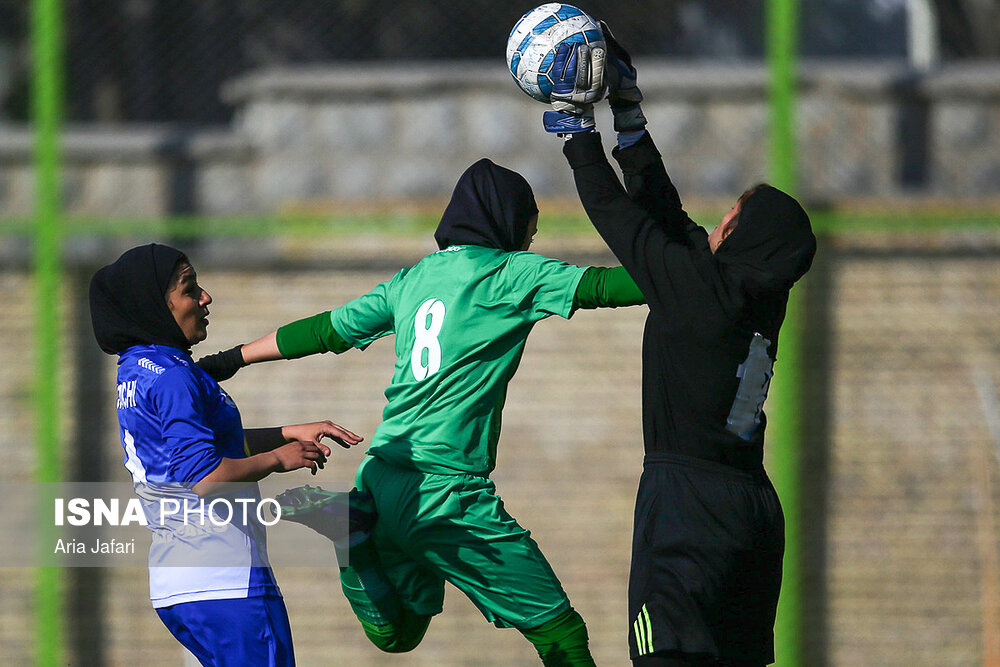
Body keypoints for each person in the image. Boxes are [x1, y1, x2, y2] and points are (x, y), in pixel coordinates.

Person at [196, 158, 646, 665]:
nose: (530, 244)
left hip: (383, 477)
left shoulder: (413, 281)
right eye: (529, 233)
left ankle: (353, 537)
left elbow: (325, 330)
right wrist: (698, 273)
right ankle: (351, 536)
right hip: (446, 492)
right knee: (560, 633)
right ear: (507, 223)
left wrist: (229, 360)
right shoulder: (510, 273)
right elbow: (608, 287)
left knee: (399, 634)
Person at [541, 27, 817, 667]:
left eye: (732, 216)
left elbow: (620, 217)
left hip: (687, 509)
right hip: (751, 508)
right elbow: (668, 219)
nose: (717, 221)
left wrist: (575, 125)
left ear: (737, 235)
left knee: (663, 657)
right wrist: (629, 112)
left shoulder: (702, 298)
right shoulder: (755, 296)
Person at [89, 243, 363, 667]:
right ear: (154, 305)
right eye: (189, 288)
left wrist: (286, 433)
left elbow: (199, 448)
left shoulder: (138, 369)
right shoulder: (176, 377)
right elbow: (208, 478)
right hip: (226, 579)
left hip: (178, 584)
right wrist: (279, 459)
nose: (205, 297)